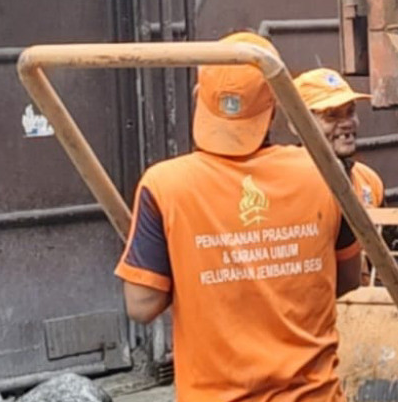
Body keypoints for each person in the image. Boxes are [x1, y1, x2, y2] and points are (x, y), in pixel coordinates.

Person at [115, 32, 362, 402]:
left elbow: (141, 305)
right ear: (275, 107)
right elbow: (346, 279)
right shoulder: (324, 173)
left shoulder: (166, 186)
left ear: (200, 99)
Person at [293, 68, 384, 207]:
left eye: (350, 112)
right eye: (331, 115)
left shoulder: (368, 181)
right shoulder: (288, 186)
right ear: (297, 123)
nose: (347, 123)